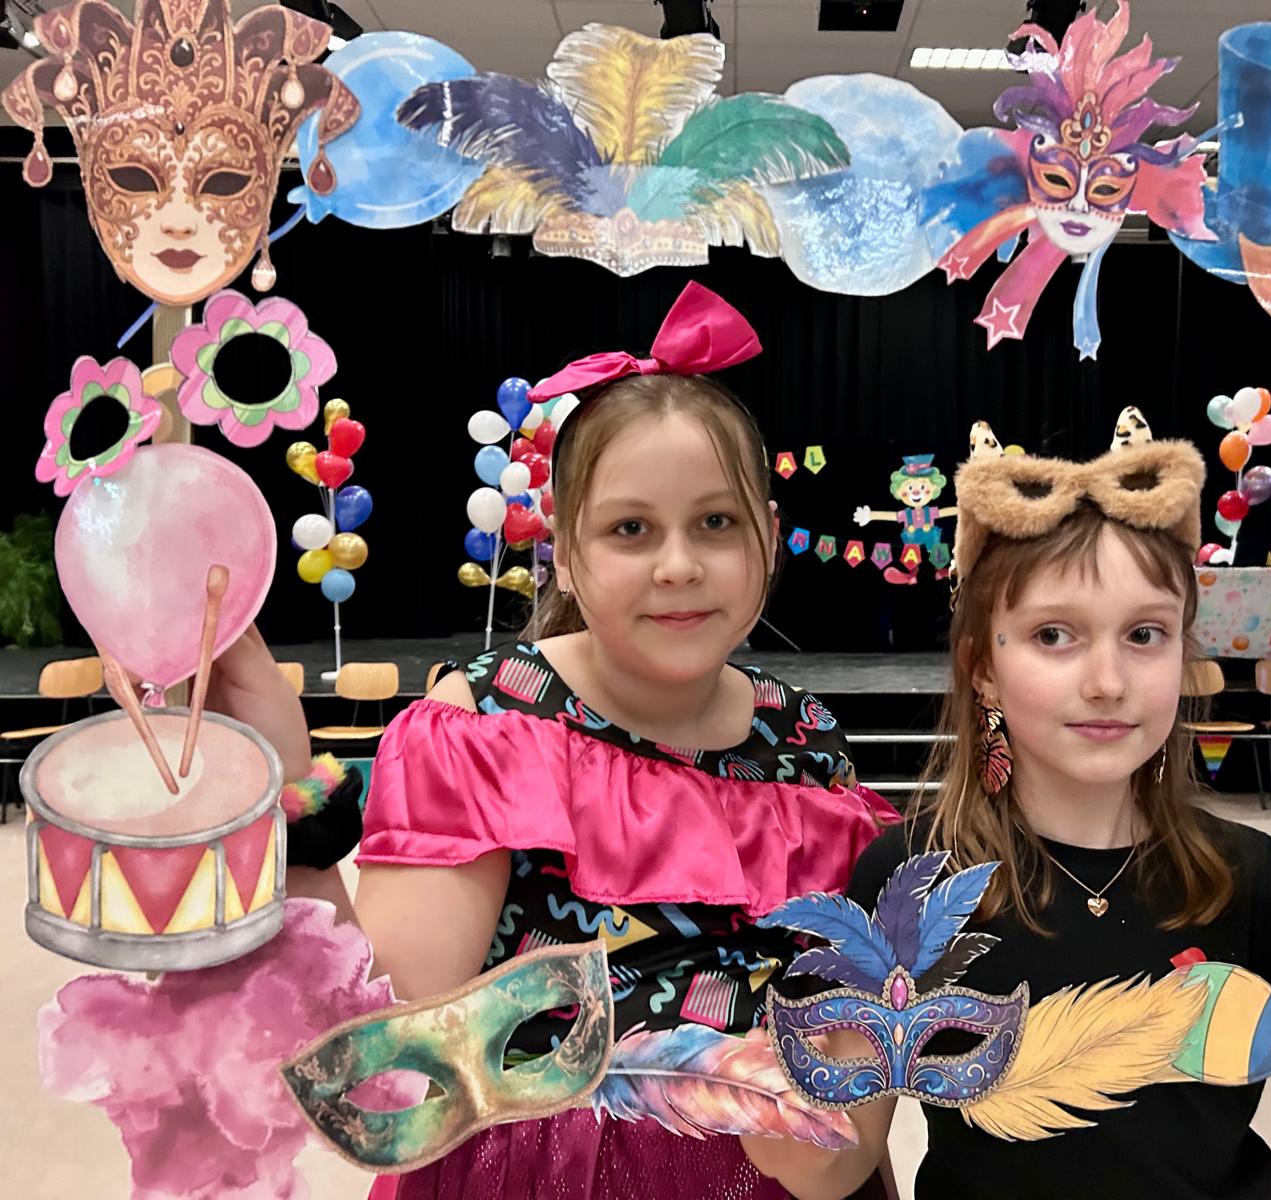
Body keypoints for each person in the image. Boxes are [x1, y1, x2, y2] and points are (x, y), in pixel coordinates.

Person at [207, 283, 897, 1198]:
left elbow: (845, 1068)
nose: (679, 565)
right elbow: (390, 1041)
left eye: (717, 523)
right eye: (629, 529)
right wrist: (291, 789)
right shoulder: (492, 722)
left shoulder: (808, 746)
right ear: (565, 552)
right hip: (534, 1174)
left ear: (769, 538)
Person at [743, 441, 1271, 1199]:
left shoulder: (1243, 881)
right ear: (984, 666)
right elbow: (836, 1164)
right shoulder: (912, 881)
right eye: (1054, 636)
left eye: (1144, 635)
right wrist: (768, 1103)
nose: (1108, 681)